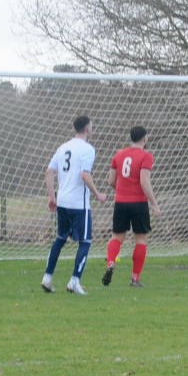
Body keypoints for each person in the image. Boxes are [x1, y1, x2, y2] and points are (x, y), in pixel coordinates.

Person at [41, 116, 108, 295]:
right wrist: (98, 194)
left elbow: (49, 172)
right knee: (85, 241)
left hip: (62, 201)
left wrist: (52, 197)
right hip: (79, 204)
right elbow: (84, 175)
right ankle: (74, 281)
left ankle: (47, 278)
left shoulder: (63, 147)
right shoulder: (88, 149)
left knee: (60, 238)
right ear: (88, 129)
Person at [103, 126, 162, 288]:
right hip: (139, 203)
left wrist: (122, 190)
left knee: (117, 237)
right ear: (145, 139)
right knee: (141, 239)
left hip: (121, 202)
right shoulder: (146, 156)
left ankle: (110, 265)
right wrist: (155, 204)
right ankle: (134, 279)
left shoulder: (119, 154)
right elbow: (144, 182)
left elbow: (110, 181)